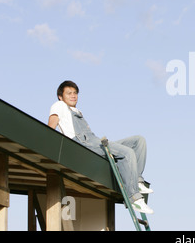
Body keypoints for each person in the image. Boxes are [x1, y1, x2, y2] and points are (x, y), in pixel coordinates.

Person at [47, 80, 154, 214]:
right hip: (83, 144)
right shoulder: (59, 106)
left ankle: (137, 181)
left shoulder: (77, 111)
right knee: (127, 153)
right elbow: (51, 125)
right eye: (69, 93)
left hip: (94, 141)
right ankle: (134, 198)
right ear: (60, 96)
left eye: (75, 93)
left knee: (138, 141)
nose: (73, 95)